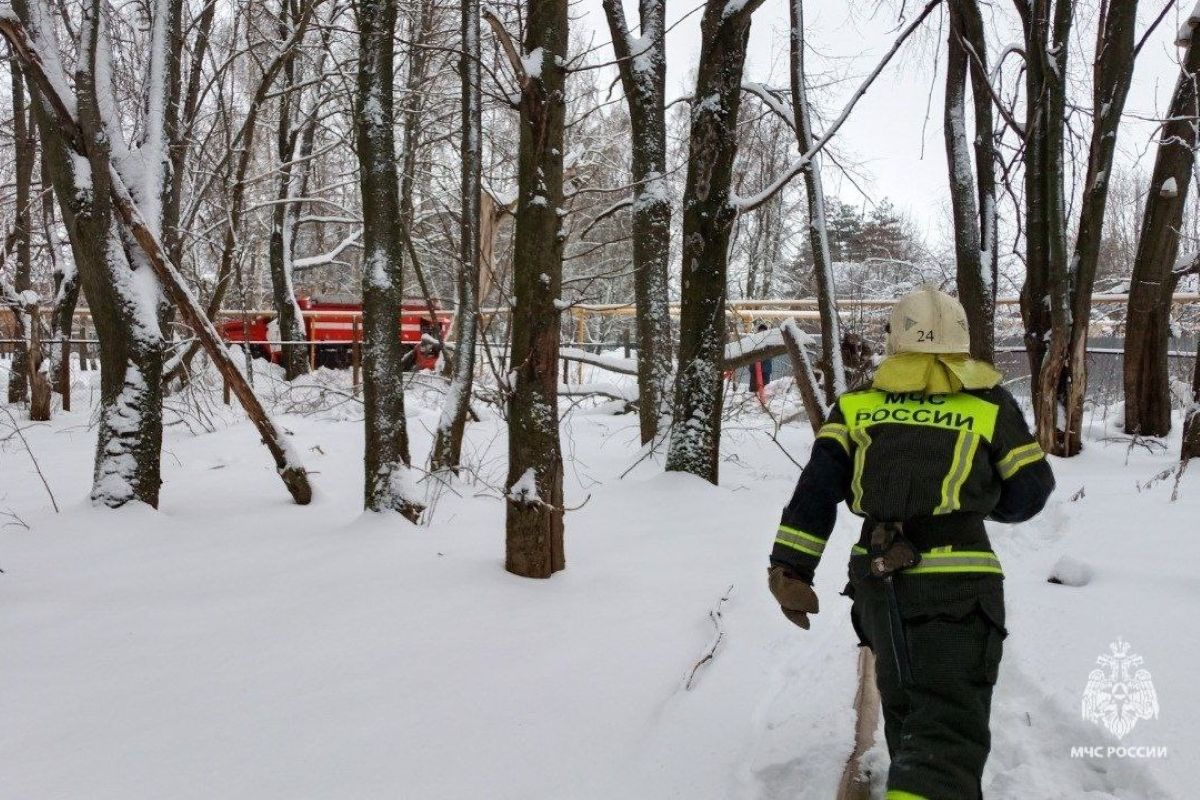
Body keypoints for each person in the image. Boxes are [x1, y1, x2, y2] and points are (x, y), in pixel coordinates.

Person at [766, 286, 1055, 800]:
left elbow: (815, 491)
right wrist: (981, 499)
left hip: (880, 583)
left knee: (906, 707)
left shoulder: (855, 407)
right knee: (947, 728)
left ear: (895, 341)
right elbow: (1030, 494)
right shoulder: (990, 406)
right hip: (958, 588)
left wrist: (790, 568)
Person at [748, 323, 774, 403]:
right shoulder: (754, 340)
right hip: (755, 369)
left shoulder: (769, 341)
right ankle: (755, 401)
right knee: (754, 389)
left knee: (765, 386)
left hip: (765, 369)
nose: (762, 333)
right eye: (761, 331)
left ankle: (763, 401)